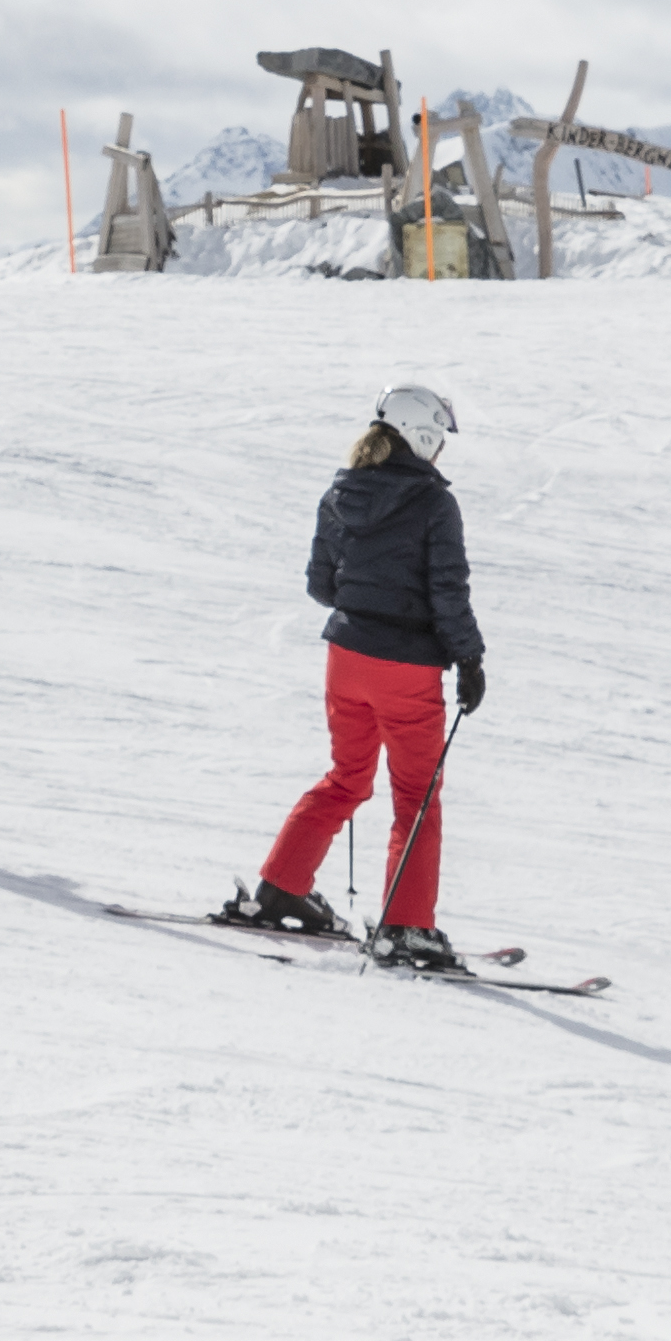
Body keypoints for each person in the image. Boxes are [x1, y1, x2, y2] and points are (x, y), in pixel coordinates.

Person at [215, 382, 485, 969]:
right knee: (416, 798)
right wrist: (469, 659)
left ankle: (280, 886)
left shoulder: (340, 492)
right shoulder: (434, 504)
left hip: (346, 660)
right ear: (424, 437)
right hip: (407, 669)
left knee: (347, 776)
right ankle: (406, 926)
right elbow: (448, 594)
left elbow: (321, 586)